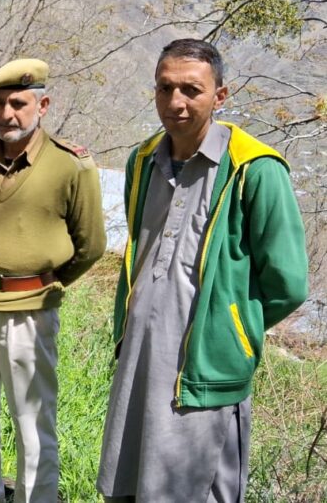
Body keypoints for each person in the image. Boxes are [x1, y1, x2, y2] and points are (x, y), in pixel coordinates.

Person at [97, 39, 308, 502]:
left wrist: (230, 328)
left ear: (220, 95)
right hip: (139, 360)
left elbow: (288, 284)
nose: (176, 103)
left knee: (194, 490)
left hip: (205, 371)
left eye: (191, 90)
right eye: (165, 88)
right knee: (130, 484)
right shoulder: (144, 161)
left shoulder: (253, 169)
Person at [0, 58, 106, 502]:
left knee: (32, 418)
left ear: (42, 104)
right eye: (0, 103)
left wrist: (46, 282)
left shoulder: (71, 166)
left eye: (18, 103)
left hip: (29, 309)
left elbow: (91, 244)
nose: (7, 114)